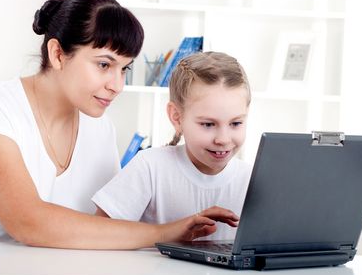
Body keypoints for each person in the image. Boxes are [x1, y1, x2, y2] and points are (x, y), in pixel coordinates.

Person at [0, 0, 237, 248]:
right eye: (104, 64)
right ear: (58, 54)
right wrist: (164, 232)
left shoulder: (99, 127)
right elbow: (28, 223)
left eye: (124, 69)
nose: (117, 84)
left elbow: (103, 226)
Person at [93, 52, 252, 240]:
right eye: (208, 124)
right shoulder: (150, 167)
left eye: (235, 123)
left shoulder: (254, 179)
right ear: (177, 117)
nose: (223, 139)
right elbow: (99, 232)